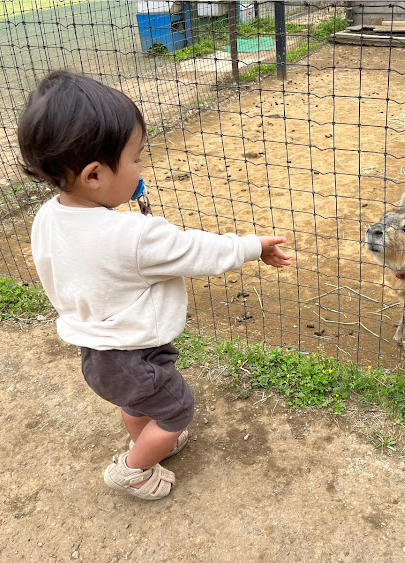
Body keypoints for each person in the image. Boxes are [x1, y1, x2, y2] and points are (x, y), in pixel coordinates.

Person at [17, 70, 292, 500]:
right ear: (94, 175)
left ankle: (146, 440)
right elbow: (197, 251)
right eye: (136, 157)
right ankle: (133, 469)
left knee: (137, 404)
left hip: (97, 353)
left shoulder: (47, 216)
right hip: (134, 355)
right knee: (178, 408)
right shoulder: (134, 236)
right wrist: (252, 246)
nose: (141, 166)